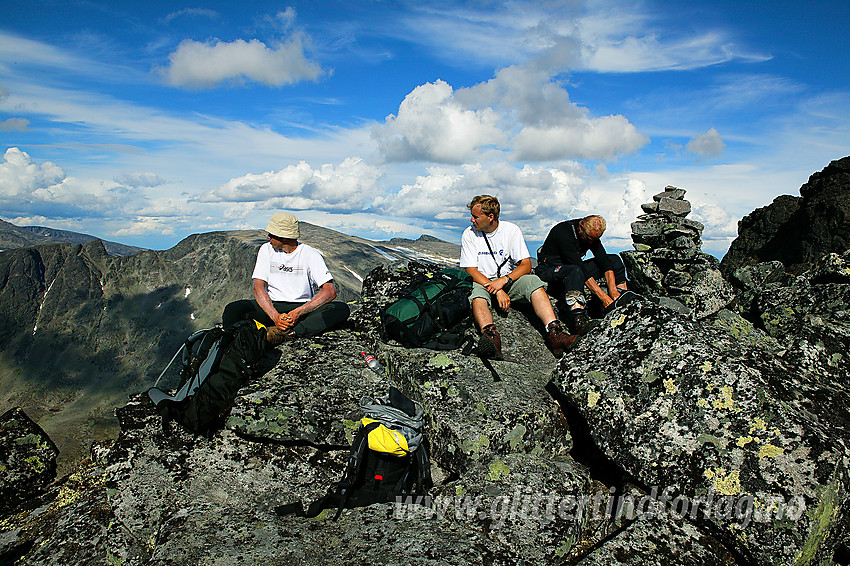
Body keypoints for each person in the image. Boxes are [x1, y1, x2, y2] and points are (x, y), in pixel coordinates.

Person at [459, 195, 576, 359]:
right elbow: (471, 270)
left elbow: (526, 265)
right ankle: (490, 337)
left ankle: (555, 333)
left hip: (507, 280)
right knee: (477, 296)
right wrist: (496, 290)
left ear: (490, 217)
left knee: (534, 282)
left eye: (476, 216)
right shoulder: (469, 234)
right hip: (482, 281)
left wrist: (504, 281)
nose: (472, 220)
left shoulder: (511, 230)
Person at [222, 212, 350, 344]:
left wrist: (297, 313)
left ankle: (288, 334)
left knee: (340, 309)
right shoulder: (266, 250)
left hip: (302, 309)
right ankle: (234, 345)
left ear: (283, 237)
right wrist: (275, 316)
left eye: (272, 235)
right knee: (234, 309)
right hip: (273, 307)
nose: (268, 237)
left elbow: (329, 291)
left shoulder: (310, 254)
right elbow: (258, 287)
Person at [535, 215, 628, 334]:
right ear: (581, 226)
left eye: (594, 240)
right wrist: (605, 299)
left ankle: (621, 298)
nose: (590, 242)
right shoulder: (563, 232)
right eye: (589, 238)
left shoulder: (591, 235)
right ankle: (578, 320)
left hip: (574, 268)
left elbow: (604, 262)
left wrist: (613, 291)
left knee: (614, 260)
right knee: (575, 270)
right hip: (551, 270)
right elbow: (581, 268)